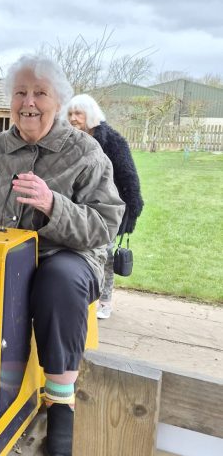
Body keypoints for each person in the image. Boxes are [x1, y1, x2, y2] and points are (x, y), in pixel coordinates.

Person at [0, 56, 125, 456]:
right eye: (20, 92)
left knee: (57, 282)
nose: (29, 102)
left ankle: (60, 401)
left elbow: (105, 224)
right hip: (4, 253)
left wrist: (55, 206)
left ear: (58, 101)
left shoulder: (85, 152)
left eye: (40, 93)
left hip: (67, 256)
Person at [66, 94, 144, 319]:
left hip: (108, 209)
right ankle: (84, 301)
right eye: (70, 114)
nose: (73, 118)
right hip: (79, 209)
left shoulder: (112, 141)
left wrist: (130, 210)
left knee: (105, 255)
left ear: (89, 115)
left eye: (78, 114)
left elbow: (128, 176)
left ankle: (105, 301)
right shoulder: (69, 140)